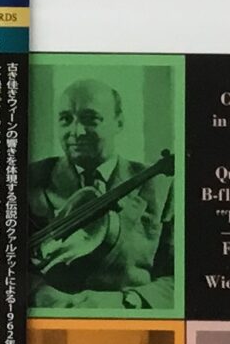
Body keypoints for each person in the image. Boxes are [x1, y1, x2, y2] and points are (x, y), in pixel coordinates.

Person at [30, 80, 177, 312]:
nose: (76, 132)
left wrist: (128, 301)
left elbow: (178, 277)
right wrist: (40, 294)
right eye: (66, 119)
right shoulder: (31, 179)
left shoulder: (160, 186)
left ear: (119, 122)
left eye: (91, 119)